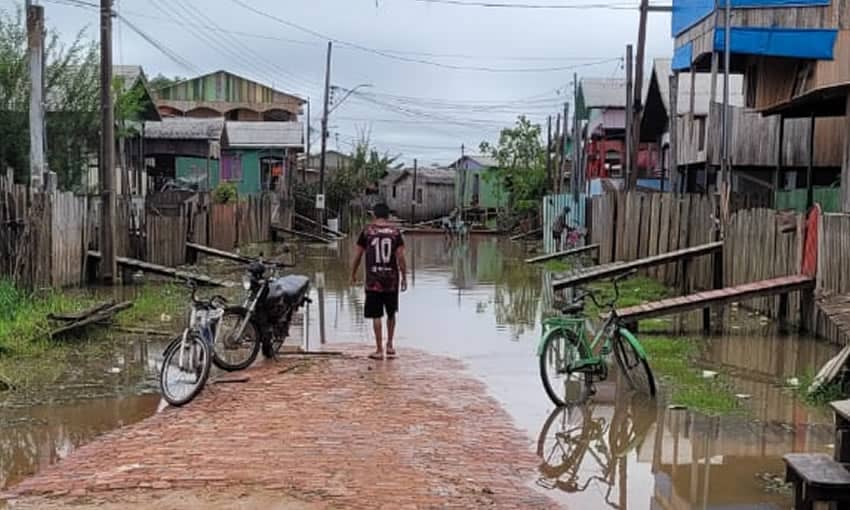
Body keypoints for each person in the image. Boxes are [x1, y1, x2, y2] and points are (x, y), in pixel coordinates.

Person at [351, 203, 407, 360]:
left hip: (373, 281)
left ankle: (378, 349)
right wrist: (404, 276)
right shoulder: (395, 233)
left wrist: (353, 273)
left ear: (374, 215)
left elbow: (358, 255)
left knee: (376, 315)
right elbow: (401, 257)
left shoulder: (367, 232)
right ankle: (390, 345)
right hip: (391, 280)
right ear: (388, 216)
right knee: (391, 313)